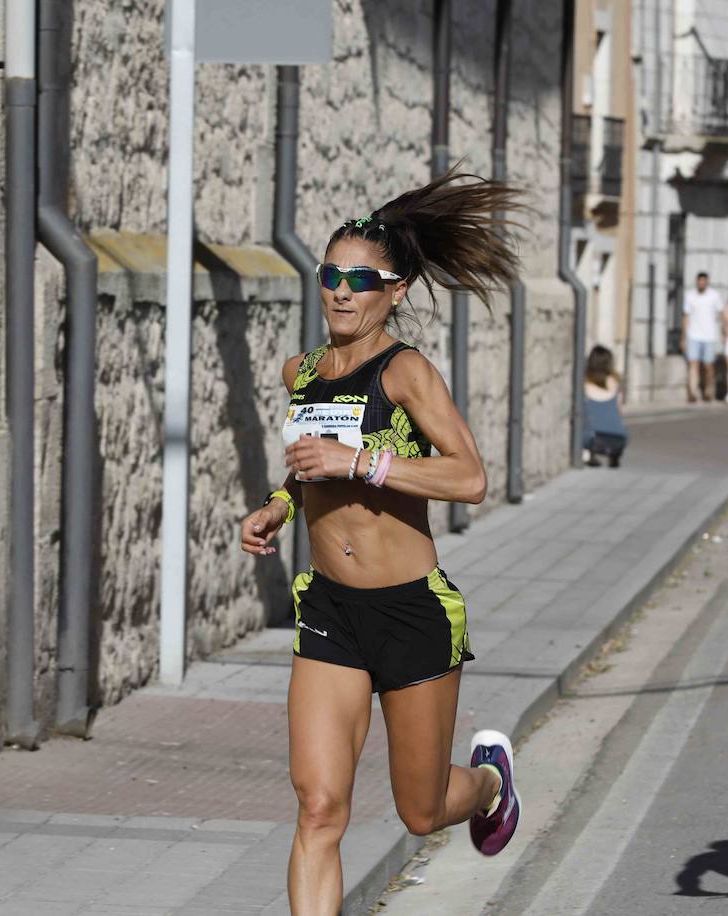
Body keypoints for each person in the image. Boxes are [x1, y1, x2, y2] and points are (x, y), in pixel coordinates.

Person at [238, 169, 524, 916]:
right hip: (330, 610)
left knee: (421, 812)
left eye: (360, 280)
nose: (340, 290)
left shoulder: (404, 373)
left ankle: (492, 782)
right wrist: (276, 504)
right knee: (319, 808)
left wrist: (362, 461)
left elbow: (468, 477)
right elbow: (309, 468)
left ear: (394, 291)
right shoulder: (300, 373)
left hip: (411, 613)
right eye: (331, 274)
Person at [583, 344, 627, 467]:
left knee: (585, 429)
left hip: (593, 438)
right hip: (618, 437)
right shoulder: (616, 382)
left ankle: (588, 454)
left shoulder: (584, 384)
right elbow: (619, 410)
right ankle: (614, 454)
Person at [683, 271, 724, 402]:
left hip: (709, 336)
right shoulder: (690, 296)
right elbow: (686, 316)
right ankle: (692, 392)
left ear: (706, 282)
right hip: (693, 335)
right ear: (696, 282)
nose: (701, 283)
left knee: (708, 366)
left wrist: (723, 332)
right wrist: (684, 337)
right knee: (693, 363)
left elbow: (721, 313)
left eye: (703, 281)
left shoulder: (714, 296)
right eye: (699, 281)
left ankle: (708, 390)